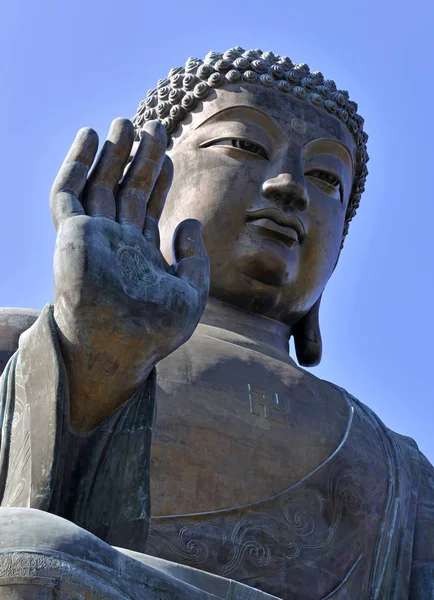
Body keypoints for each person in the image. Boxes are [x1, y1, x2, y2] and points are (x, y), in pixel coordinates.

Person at [0, 47, 432, 599]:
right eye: (244, 146)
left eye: (327, 179)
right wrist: (95, 357)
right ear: (148, 184)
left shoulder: (403, 471)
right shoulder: (21, 344)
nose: (289, 187)